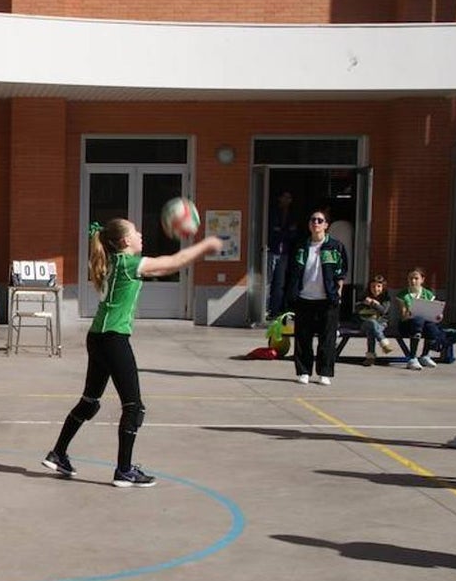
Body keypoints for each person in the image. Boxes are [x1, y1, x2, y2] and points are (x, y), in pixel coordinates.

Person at [41, 219, 222, 486]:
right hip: (114, 338)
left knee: (90, 401)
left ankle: (58, 453)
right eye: (135, 231)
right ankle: (124, 471)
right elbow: (174, 262)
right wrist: (206, 244)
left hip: (98, 337)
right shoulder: (128, 264)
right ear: (125, 242)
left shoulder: (114, 262)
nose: (140, 234)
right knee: (134, 407)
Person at [285, 210, 348, 386]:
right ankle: (303, 371)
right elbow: (292, 271)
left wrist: (338, 293)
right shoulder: (301, 246)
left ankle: (324, 372)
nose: (316, 223)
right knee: (303, 338)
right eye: (313, 220)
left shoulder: (335, 246)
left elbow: (341, 271)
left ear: (326, 225)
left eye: (320, 220)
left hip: (327, 299)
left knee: (327, 338)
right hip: (304, 298)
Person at [395, 267, 444, 370]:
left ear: (422, 279)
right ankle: (412, 358)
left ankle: (424, 355)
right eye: (410, 278)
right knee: (418, 320)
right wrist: (409, 314)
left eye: (416, 278)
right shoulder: (403, 295)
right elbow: (403, 315)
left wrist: (438, 316)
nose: (413, 281)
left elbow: (433, 313)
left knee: (431, 325)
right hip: (407, 325)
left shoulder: (428, 294)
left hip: (424, 325)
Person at [266, 190, 298, 318]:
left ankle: (275, 310)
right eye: (285, 197)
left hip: (284, 252)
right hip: (271, 251)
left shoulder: (292, 215)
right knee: (268, 282)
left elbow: (293, 233)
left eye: (289, 198)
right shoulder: (272, 212)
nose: (287, 200)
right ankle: (265, 309)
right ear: (279, 199)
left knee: (280, 283)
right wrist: (285, 232)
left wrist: (282, 231)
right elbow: (271, 230)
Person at [355, 274, 393, 366]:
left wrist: (374, 304)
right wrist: (365, 303)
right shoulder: (364, 297)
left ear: (383, 287)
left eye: (379, 286)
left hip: (381, 323)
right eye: (373, 286)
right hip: (364, 323)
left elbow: (384, 311)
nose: (376, 289)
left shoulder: (386, 298)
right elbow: (357, 310)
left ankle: (370, 357)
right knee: (371, 323)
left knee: (371, 330)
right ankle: (383, 341)